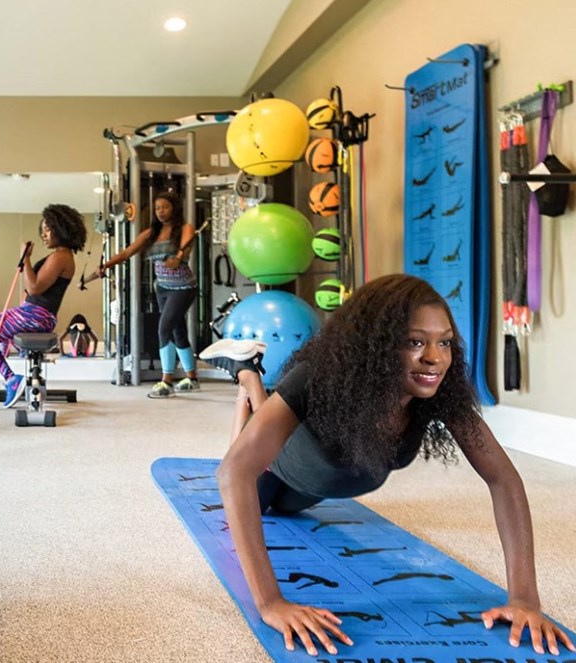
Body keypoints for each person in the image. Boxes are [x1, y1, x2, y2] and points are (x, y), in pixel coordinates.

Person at [215, 274, 574, 657]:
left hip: (327, 484)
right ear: (376, 344)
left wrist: (524, 599)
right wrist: (271, 603)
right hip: (283, 467)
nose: (435, 357)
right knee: (258, 494)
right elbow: (233, 473)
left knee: (291, 504)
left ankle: (250, 381)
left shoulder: (437, 392)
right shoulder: (317, 377)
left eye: (444, 342)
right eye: (415, 342)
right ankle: (248, 375)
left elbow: (504, 479)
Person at [0, 204, 86, 409]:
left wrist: (26, 258)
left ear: (61, 228)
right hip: (34, 313)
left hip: (36, 315)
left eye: (48, 229)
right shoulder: (61, 256)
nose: (43, 234)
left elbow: (34, 288)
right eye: (42, 230)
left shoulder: (61, 256)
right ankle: (9, 381)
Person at [97, 191, 199, 398]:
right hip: (162, 288)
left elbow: (186, 246)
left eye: (165, 207)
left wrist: (178, 258)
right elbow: (127, 252)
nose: (161, 211)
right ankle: (192, 378)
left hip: (183, 288)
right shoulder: (151, 233)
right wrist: (107, 265)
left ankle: (166, 381)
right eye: (157, 208)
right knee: (177, 331)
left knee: (164, 328)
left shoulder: (184, 228)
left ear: (175, 208)